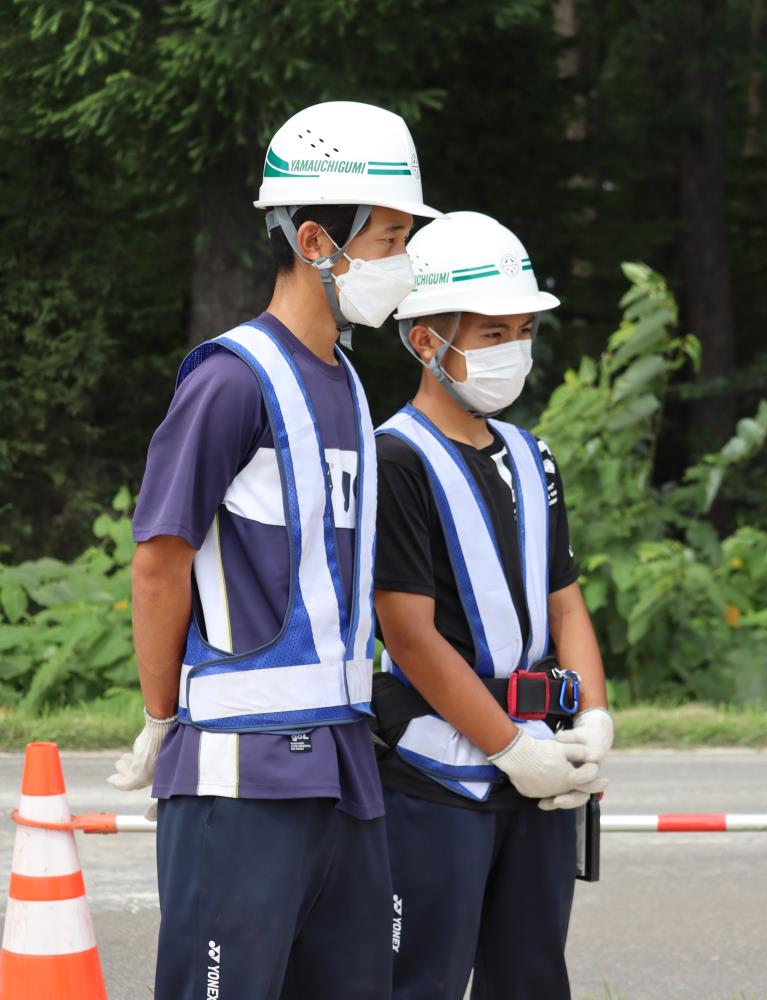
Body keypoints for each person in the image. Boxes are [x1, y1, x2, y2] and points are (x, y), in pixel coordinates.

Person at [114, 101, 441, 999]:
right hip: (240, 778)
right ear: (314, 240)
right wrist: (161, 719)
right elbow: (159, 561)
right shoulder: (231, 380)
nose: (403, 262)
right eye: (389, 238)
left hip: (345, 773)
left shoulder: (348, 384)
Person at [370, 211, 610, 1000]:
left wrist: (593, 720)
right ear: (425, 342)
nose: (515, 350)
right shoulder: (396, 460)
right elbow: (408, 635)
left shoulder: (532, 456)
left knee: (531, 977)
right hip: (437, 774)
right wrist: (509, 749)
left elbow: (566, 604)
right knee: (421, 979)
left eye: (524, 331)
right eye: (493, 333)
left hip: (541, 768)